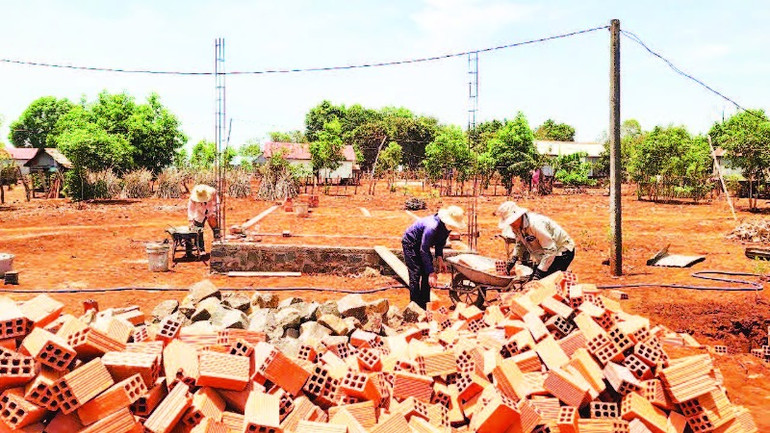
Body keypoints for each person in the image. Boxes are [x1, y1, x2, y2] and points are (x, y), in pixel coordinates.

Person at [402, 206, 466, 309]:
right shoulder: (432, 227)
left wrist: (440, 259)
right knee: (416, 273)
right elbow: (423, 249)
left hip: (423, 245)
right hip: (411, 243)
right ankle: (414, 308)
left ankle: (425, 305)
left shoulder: (446, 228)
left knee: (426, 274)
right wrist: (431, 272)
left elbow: (440, 244)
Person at [495, 201, 575, 280]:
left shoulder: (535, 225)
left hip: (561, 251)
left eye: (512, 221)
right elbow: (520, 242)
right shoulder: (516, 226)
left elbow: (551, 250)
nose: (511, 225)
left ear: (518, 216)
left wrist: (539, 273)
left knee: (547, 282)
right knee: (534, 280)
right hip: (545, 252)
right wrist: (514, 258)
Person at [188, 184, 221, 254]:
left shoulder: (213, 192)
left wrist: (215, 211)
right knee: (198, 227)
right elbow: (190, 209)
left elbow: (217, 202)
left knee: (214, 223)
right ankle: (201, 248)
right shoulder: (193, 197)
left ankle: (217, 240)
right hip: (199, 211)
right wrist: (191, 220)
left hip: (210, 209)